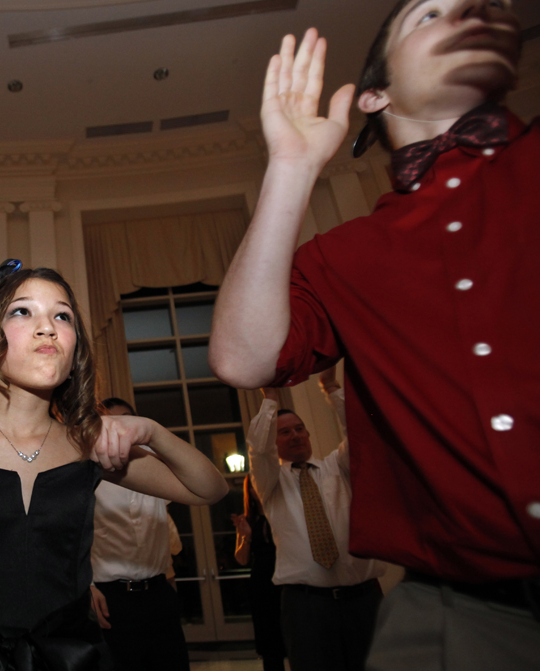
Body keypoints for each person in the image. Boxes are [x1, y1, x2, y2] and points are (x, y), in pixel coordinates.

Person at [209, 0, 540, 667]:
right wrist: (293, 167)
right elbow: (244, 358)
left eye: (478, 4)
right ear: (375, 95)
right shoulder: (346, 255)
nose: (467, 10)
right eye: (430, 13)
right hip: (460, 613)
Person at [0, 260, 230, 670]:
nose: (47, 327)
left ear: (74, 350)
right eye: (22, 311)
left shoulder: (85, 443)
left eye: (61, 316)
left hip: (72, 659)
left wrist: (152, 431)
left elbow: (209, 489)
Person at [247, 388, 383, 671]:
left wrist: (333, 389)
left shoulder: (338, 467)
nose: (295, 435)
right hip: (307, 607)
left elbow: (361, 431)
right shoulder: (272, 482)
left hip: (364, 601)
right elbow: (259, 449)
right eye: (284, 432)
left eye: (299, 429)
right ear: (275, 442)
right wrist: (270, 398)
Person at [89, 397, 189, 671]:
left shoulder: (156, 470)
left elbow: (164, 532)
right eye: (112, 421)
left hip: (158, 594)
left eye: (127, 420)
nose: (120, 428)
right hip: (110, 599)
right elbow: (66, 537)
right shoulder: (89, 473)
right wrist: (85, 587)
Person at [233, 478, 286, 671]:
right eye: (255, 487)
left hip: (286, 577)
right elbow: (241, 559)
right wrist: (246, 536)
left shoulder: (282, 513)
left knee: (293, 633)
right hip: (262, 582)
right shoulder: (247, 520)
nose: (259, 490)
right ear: (250, 492)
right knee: (270, 640)